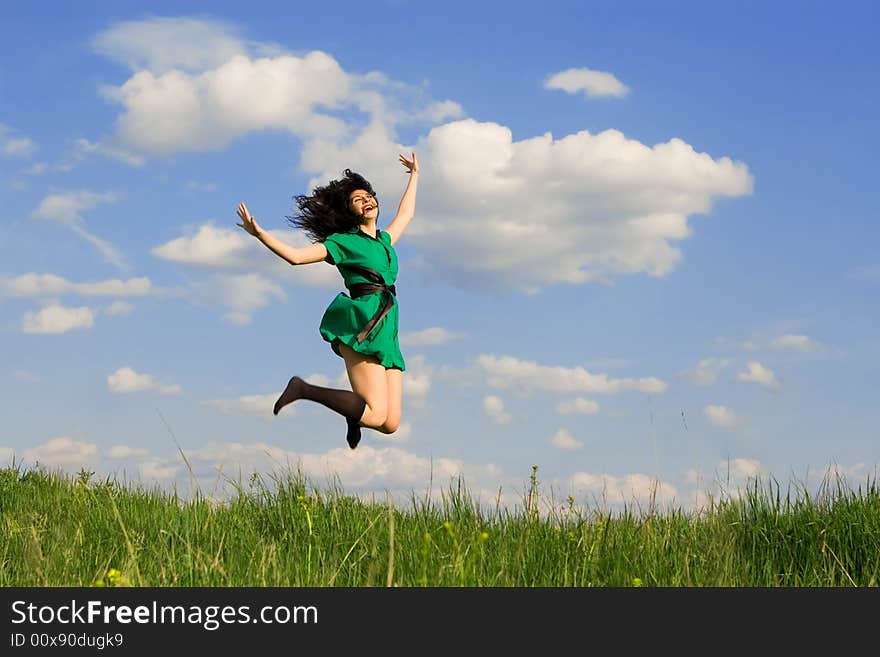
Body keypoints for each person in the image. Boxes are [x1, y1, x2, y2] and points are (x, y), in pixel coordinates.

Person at [236, 152, 419, 449]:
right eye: (358, 199)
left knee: (391, 424)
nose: (367, 200)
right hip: (362, 323)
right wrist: (259, 234)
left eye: (368, 195)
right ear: (350, 211)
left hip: (388, 327)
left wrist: (415, 175)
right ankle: (304, 389)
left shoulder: (384, 241)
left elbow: (406, 214)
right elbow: (296, 258)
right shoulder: (342, 242)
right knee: (375, 414)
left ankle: (351, 411)